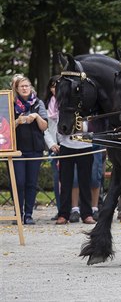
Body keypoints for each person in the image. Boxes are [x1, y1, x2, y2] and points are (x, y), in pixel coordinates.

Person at [12, 75, 48, 225]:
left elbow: (45, 126)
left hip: (35, 149)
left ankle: (28, 214)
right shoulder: (10, 103)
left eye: (27, 85)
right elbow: (5, 128)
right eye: (22, 86)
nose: (25, 88)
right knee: (19, 182)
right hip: (17, 149)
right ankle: (18, 213)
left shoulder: (38, 103)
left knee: (31, 183)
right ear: (16, 89)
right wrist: (18, 121)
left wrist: (37, 117)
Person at [55, 119, 96, 225]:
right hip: (66, 144)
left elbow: (95, 123)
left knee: (85, 182)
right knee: (65, 182)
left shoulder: (88, 104)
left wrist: (84, 127)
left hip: (85, 145)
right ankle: (63, 214)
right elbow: (58, 122)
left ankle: (87, 214)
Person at [43, 75, 62, 220]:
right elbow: (46, 128)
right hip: (55, 146)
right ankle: (61, 209)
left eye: (58, 85)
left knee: (73, 180)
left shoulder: (70, 101)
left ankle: (74, 208)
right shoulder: (46, 103)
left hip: (69, 144)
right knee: (58, 180)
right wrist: (52, 144)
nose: (55, 88)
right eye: (53, 86)